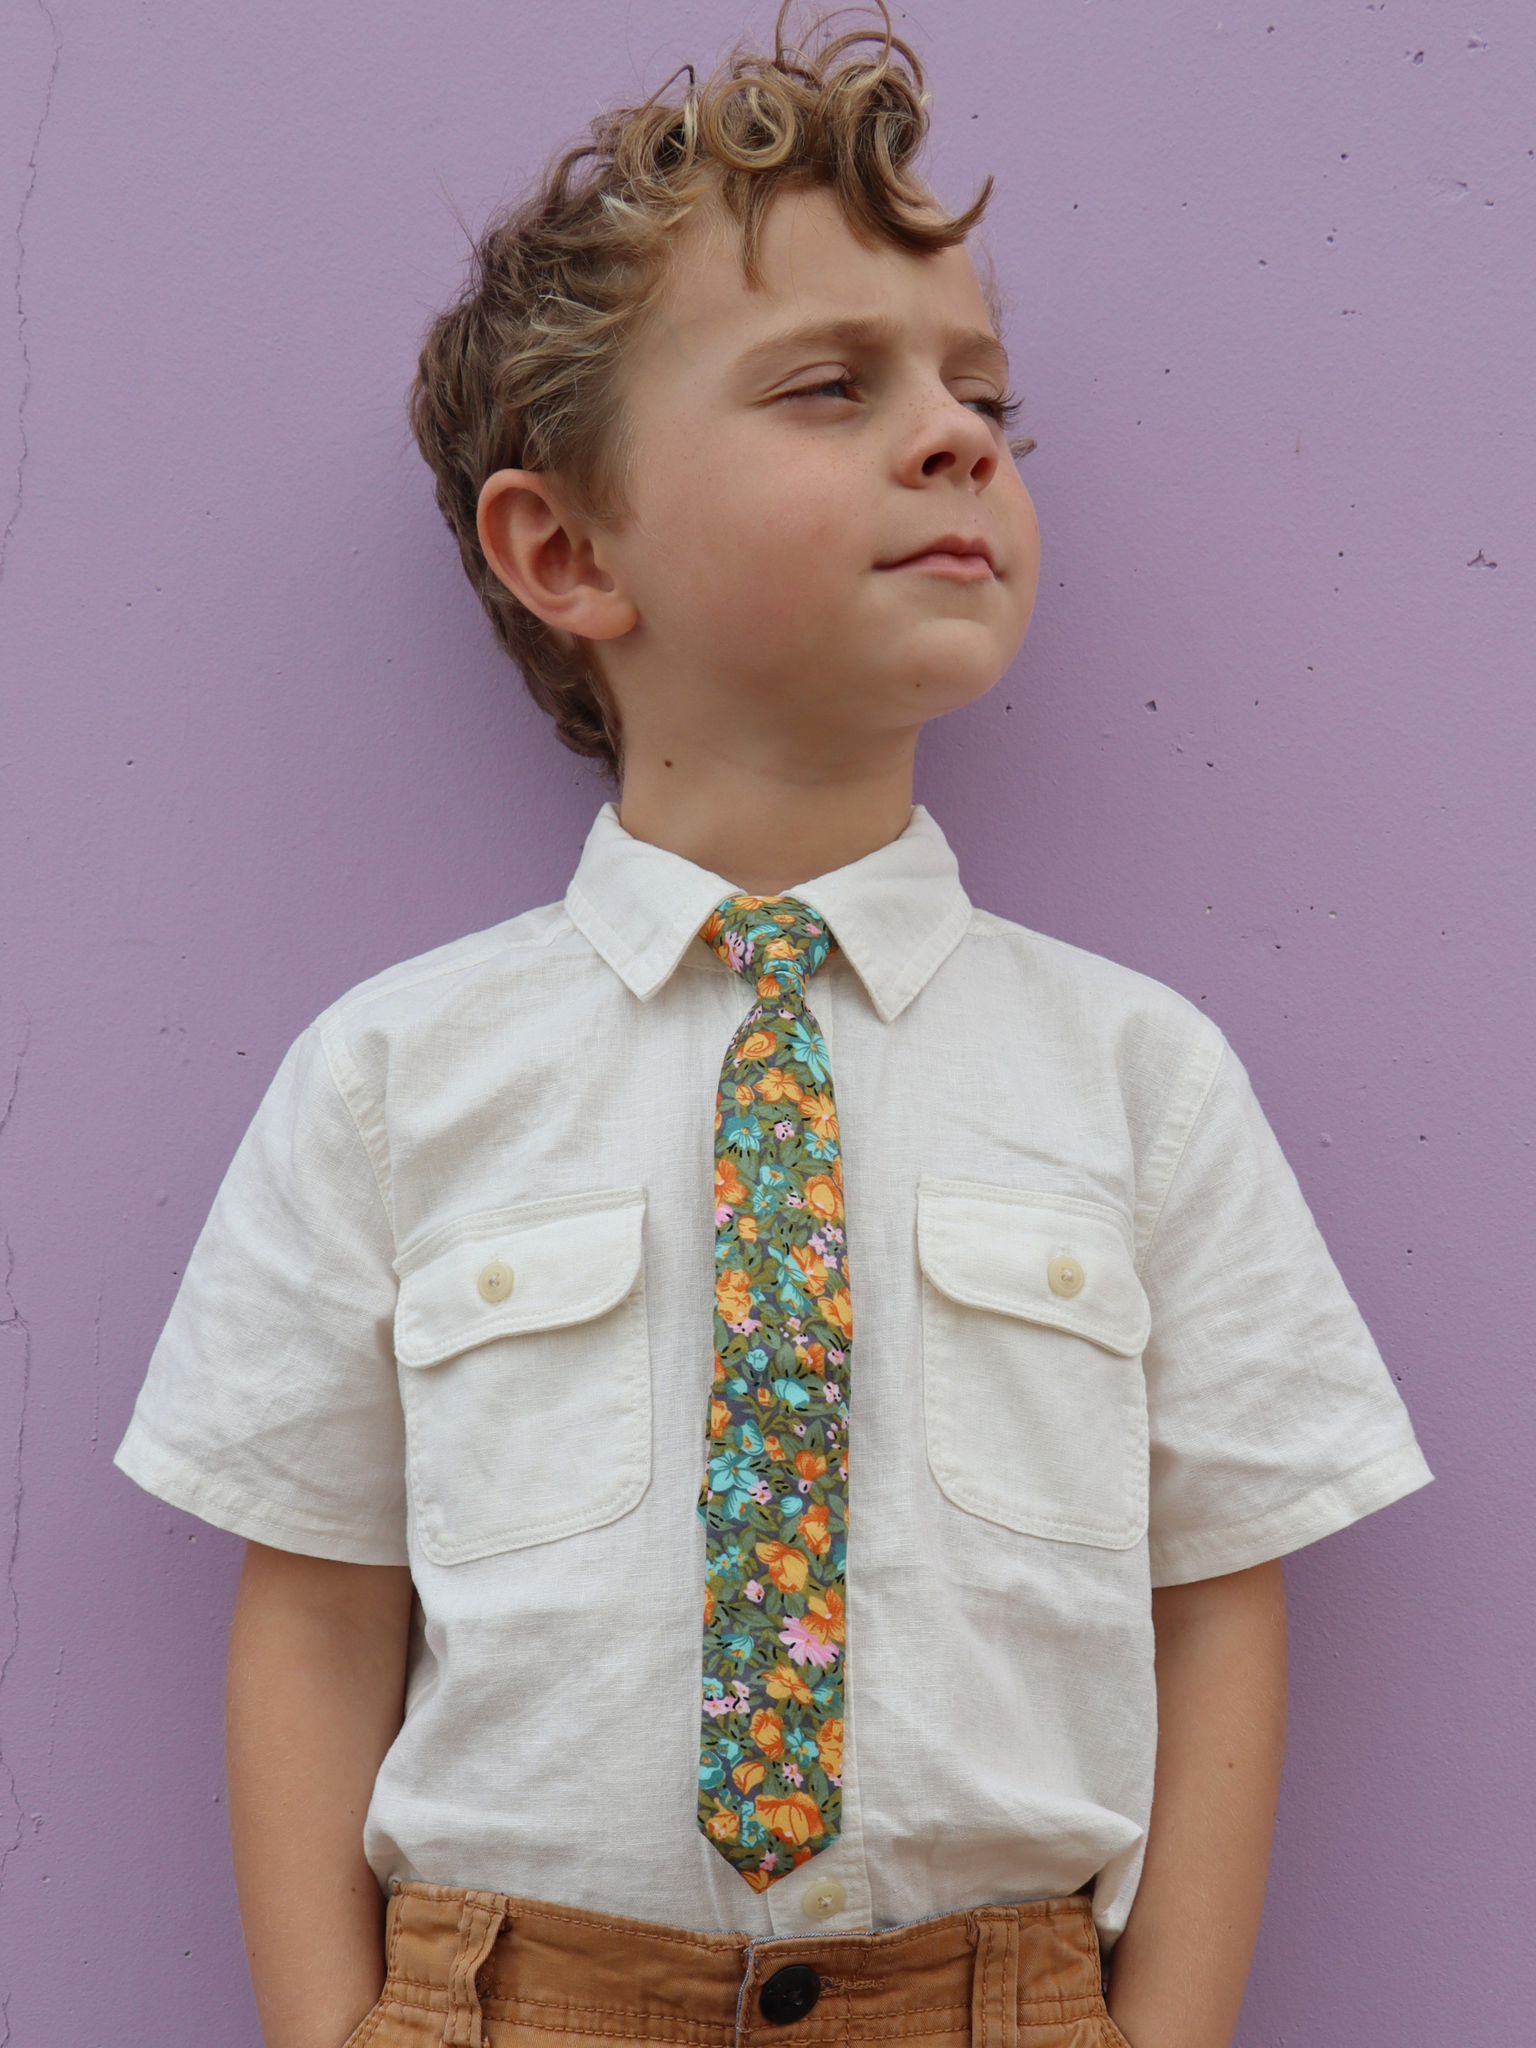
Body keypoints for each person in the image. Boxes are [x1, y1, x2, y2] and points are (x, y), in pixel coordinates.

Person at [114, 10, 1432, 2047]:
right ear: (567, 549)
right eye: (832, 384)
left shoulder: (1136, 1078)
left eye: (984, 394)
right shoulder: (390, 1079)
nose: (956, 434)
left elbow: (1222, 1586)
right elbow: (312, 1608)